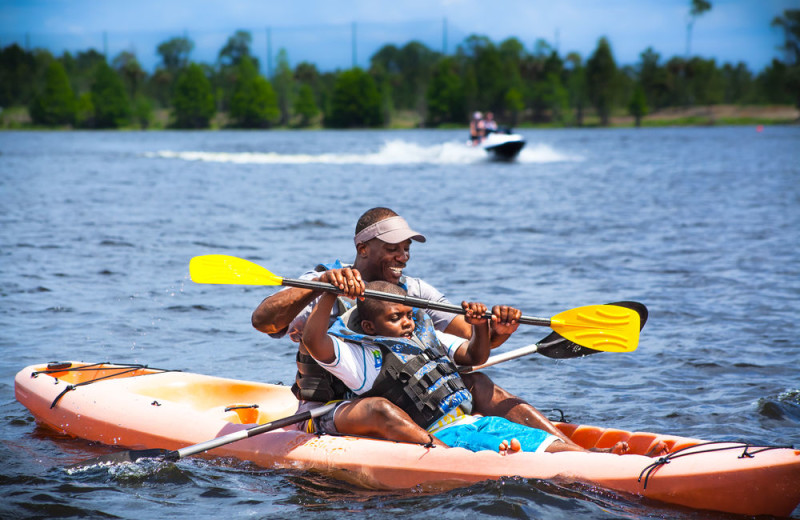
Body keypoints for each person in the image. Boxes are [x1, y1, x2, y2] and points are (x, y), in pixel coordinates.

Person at [251, 207, 588, 447]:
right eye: (393, 248)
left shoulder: (414, 292)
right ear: (363, 248)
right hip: (337, 409)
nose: (403, 257)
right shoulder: (322, 282)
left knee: (479, 383)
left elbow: (474, 345)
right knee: (379, 408)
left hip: (407, 398)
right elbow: (264, 321)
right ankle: (443, 452)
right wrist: (322, 287)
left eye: (406, 249)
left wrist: (497, 328)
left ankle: (572, 451)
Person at [302, 280, 622, 454]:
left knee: (547, 446)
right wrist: (328, 293)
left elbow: (475, 356)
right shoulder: (362, 359)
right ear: (370, 327)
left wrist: (479, 325)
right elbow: (315, 340)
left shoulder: (424, 333)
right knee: (384, 408)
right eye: (395, 318)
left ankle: (581, 454)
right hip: (442, 436)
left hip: (472, 421)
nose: (406, 322)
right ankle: (450, 458)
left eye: (408, 314)